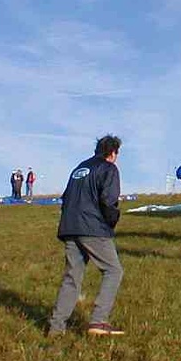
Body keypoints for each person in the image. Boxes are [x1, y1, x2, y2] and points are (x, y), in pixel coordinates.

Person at [47, 135, 125, 337]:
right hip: (93, 228)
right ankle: (99, 321)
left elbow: (66, 198)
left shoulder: (78, 169)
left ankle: (56, 328)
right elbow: (109, 200)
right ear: (113, 152)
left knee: (72, 277)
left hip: (69, 227)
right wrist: (112, 221)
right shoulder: (109, 169)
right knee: (113, 271)